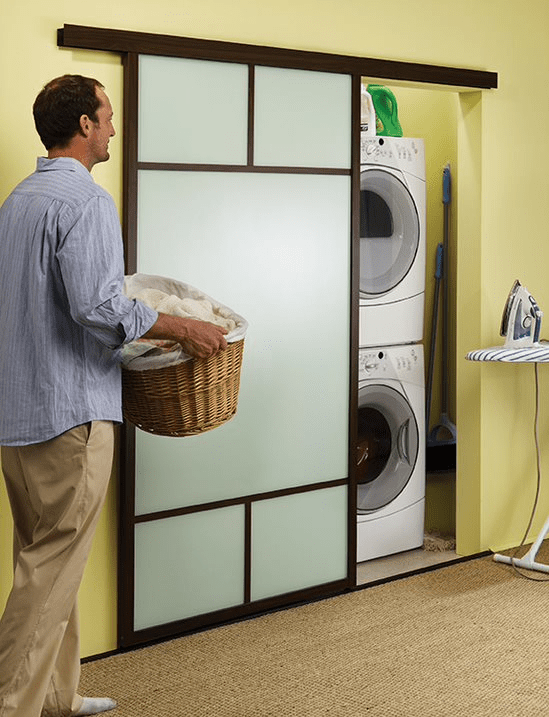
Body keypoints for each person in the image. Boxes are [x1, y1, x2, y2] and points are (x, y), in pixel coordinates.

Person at [0, 75, 228, 717]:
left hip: (17, 418)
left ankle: (57, 697)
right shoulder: (86, 203)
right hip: (72, 416)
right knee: (48, 570)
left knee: (48, 560)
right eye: (106, 116)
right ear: (82, 125)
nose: (113, 128)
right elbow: (98, 306)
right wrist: (182, 326)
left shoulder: (17, 203)